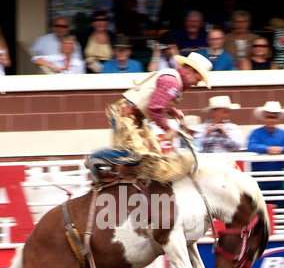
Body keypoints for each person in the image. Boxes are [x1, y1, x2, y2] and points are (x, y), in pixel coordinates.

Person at [85, 52, 212, 184]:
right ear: (191, 70)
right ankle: (95, 157)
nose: (197, 83)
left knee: (152, 156)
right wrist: (168, 128)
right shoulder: (172, 82)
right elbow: (154, 108)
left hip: (133, 117)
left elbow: (157, 99)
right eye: (198, 78)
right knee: (136, 154)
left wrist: (172, 110)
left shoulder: (172, 80)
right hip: (126, 115)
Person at [247, 101, 284, 204]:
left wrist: (281, 149)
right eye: (269, 117)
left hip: (277, 178)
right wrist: (268, 149)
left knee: (277, 205)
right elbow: (251, 146)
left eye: (273, 117)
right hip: (260, 178)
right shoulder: (256, 133)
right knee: (260, 207)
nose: (271, 120)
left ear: (278, 119)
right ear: (264, 118)